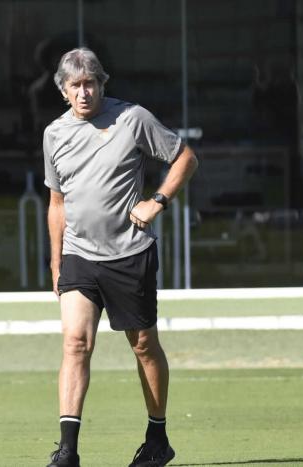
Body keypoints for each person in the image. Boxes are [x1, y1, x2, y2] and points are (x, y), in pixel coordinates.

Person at [43, 48, 198, 467]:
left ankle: (157, 438)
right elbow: (57, 202)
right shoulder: (53, 135)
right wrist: (57, 262)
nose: (84, 92)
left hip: (130, 253)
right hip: (79, 255)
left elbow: (185, 157)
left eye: (90, 83)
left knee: (144, 346)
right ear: (63, 91)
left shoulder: (132, 118)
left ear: (102, 84)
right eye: (75, 85)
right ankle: (68, 451)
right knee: (75, 343)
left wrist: (157, 201)